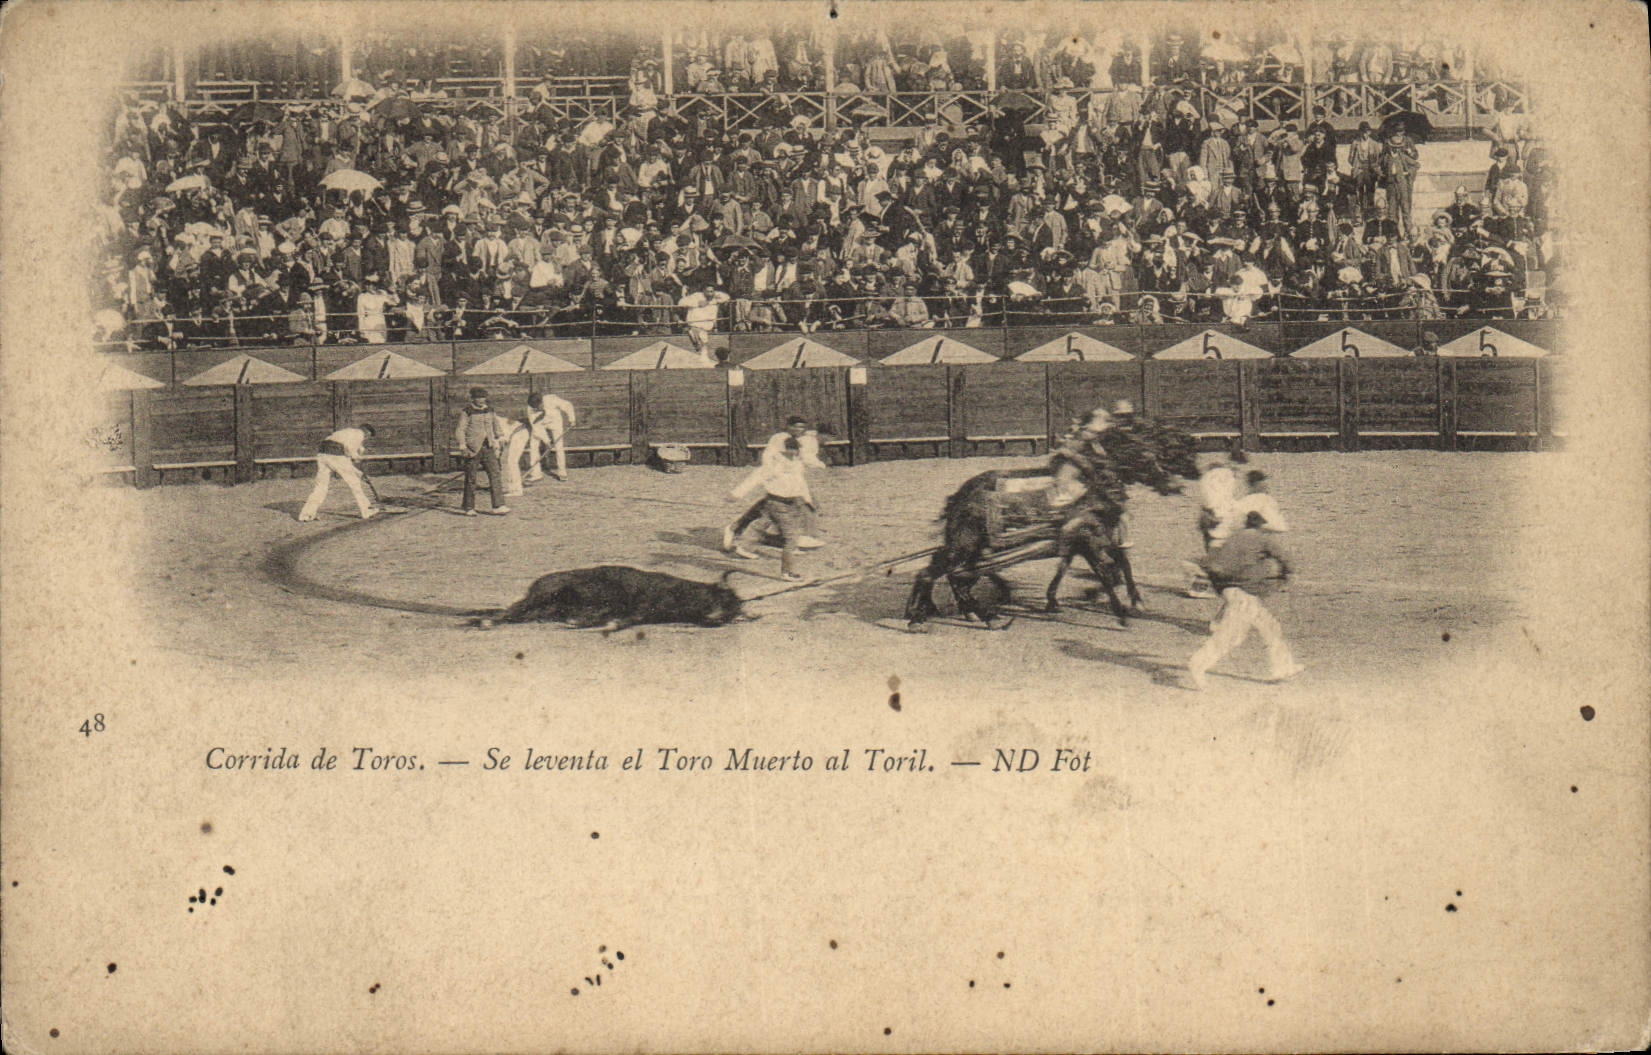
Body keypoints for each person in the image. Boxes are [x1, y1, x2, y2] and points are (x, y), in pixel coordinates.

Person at [1184, 510, 1304, 690]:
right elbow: (1284, 557)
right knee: (1231, 637)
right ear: (1261, 526)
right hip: (1243, 595)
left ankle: (1283, 668)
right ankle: (1197, 664)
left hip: (1233, 591)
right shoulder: (1261, 539)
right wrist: (1289, 574)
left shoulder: (1235, 537)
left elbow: (1213, 560)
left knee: (1270, 628)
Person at [722, 415, 826, 557]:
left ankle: (794, 539)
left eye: (801, 427)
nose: (798, 429)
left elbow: (805, 457)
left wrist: (816, 463)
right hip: (777, 481)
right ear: (787, 426)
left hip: (791, 483)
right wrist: (738, 493)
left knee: (799, 506)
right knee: (768, 511)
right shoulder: (779, 439)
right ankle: (738, 530)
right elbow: (765, 466)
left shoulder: (802, 442)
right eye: (794, 426)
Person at [727, 435, 813, 582]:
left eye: (795, 451)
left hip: (792, 502)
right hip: (777, 502)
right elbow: (754, 478)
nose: (792, 454)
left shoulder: (797, 464)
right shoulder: (773, 465)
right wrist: (737, 494)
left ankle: (744, 547)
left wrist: (807, 500)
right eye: (789, 451)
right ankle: (787, 572)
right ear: (782, 450)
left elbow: (801, 482)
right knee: (791, 538)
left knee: (763, 523)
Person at [297, 423, 380, 522]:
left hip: (322, 455)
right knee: (354, 483)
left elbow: (346, 462)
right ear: (366, 432)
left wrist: (359, 472)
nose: (366, 438)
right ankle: (366, 510)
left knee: (320, 487)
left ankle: (307, 515)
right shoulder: (359, 434)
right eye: (368, 436)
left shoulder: (346, 432)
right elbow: (349, 450)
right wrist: (357, 458)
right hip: (335, 454)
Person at [454, 387, 510, 516]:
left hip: (488, 447)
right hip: (473, 449)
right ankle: (469, 507)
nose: (481, 400)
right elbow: (460, 430)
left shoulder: (490, 410)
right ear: (472, 399)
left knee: (495, 475)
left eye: (483, 397)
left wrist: (500, 436)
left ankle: (498, 505)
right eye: (478, 398)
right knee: (471, 478)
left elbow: (496, 425)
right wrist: (462, 445)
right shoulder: (467, 412)